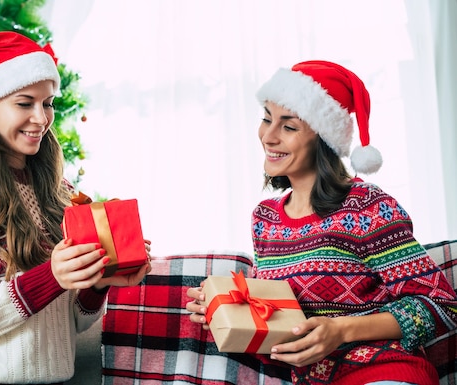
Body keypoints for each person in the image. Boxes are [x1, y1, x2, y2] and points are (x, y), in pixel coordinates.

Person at [186, 60, 457, 385]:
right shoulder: (265, 218)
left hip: (383, 370)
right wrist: (225, 312)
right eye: (266, 119)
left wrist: (340, 330)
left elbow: (440, 306)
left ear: (324, 140)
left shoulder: (366, 206)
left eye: (288, 126)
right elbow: (282, 319)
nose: (268, 137)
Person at [0, 31, 151, 385]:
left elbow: (68, 322)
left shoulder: (58, 191)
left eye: (48, 103)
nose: (41, 119)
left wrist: (97, 282)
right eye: (25, 103)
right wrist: (50, 277)